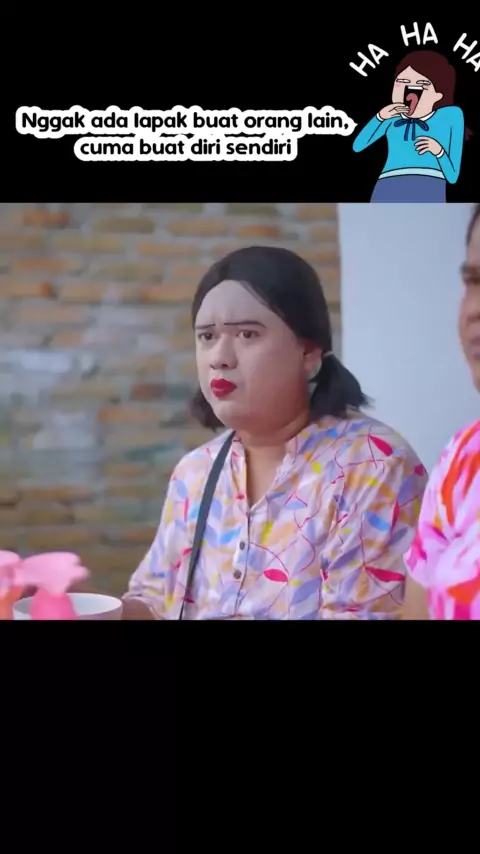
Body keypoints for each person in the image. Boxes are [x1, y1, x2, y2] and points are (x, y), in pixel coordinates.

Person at [122, 246, 428, 620]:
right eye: (207, 337)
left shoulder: (372, 466)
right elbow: (156, 601)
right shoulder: (194, 474)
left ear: (309, 352)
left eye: (247, 334)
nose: (220, 357)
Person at [403, 204, 480, 619]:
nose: (475, 309)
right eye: (473, 281)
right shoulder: (464, 458)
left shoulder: (366, 462)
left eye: (248, 334)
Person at [352, 50, 472, 203]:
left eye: (421, 85)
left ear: (438, 94)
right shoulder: (391, 116)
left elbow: (452, 176)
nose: (409, 91)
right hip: (388, 184)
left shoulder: (450, 116)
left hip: (429, 186)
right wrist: (380, 117)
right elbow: (358, 146)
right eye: (402, 83)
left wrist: (439, 151)